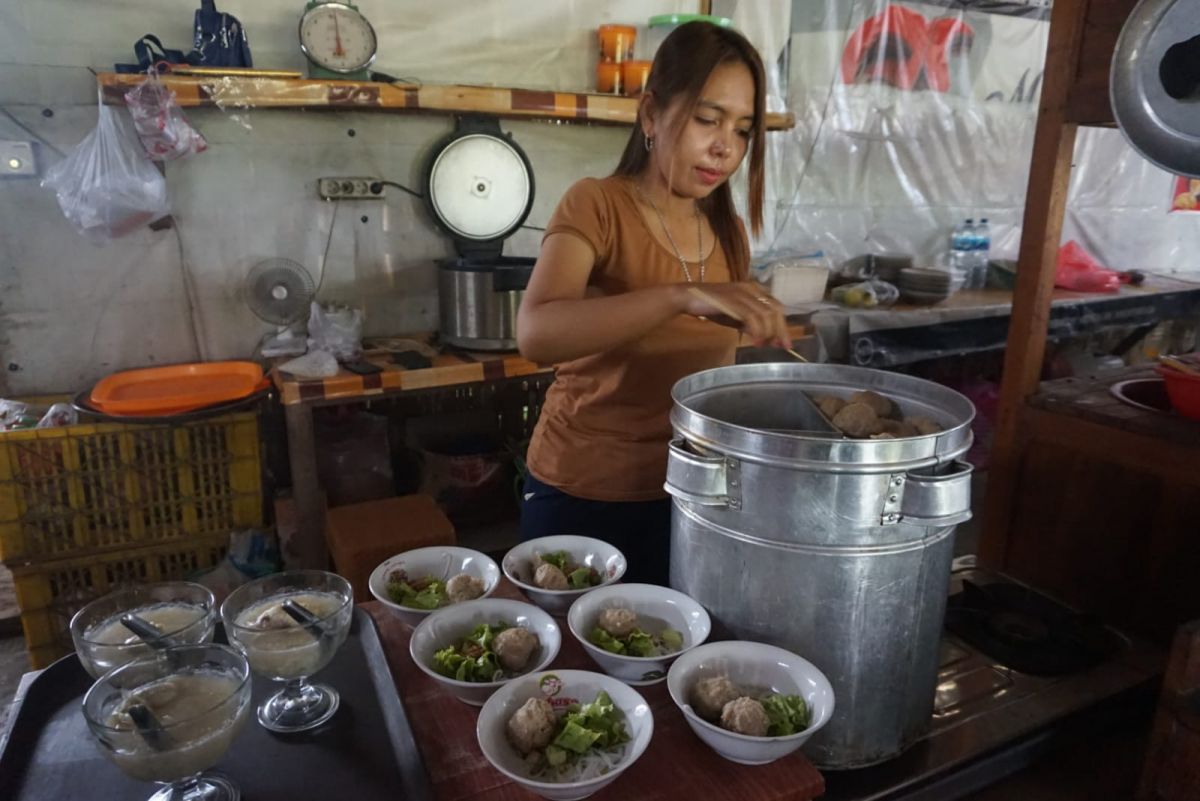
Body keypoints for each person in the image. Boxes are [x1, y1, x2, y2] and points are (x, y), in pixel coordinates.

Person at [515, 21, 789, 586]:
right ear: (649, 114)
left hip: (689, 494)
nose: (725, 148)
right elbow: (537, 333)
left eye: (741, 131)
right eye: (708, 120)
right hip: (582, 491)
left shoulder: (729, 230)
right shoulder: (597, 204)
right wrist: (680, 295)